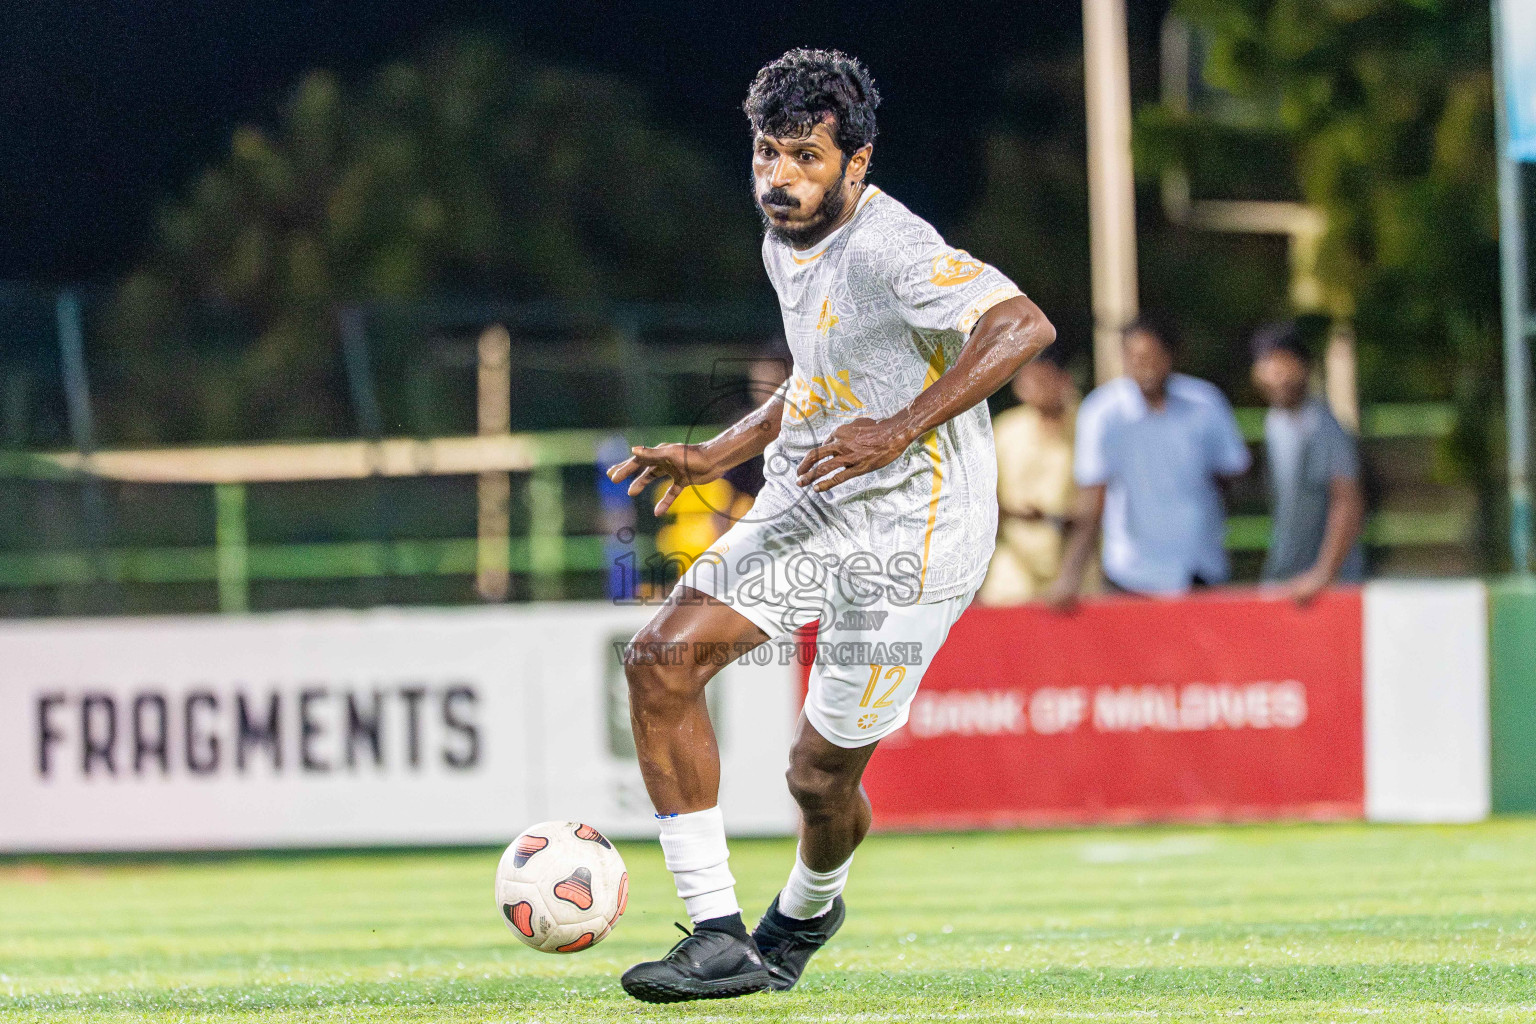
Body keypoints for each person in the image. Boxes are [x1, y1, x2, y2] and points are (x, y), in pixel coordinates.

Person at [605, 48, 1054, 1003]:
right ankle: (718, 936)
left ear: (857, 162)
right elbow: (821, 374)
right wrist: (719, 452)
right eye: (766, 154)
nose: (779, 178)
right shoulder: (784, 239)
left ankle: (808, 910)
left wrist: (898, 429)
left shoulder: (893, 245)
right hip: (812, 497)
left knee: (817, 778)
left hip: (916, 532)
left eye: (805, 157)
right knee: (658, 662)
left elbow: (1022, 326)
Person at [1045, 314, 1249, 607]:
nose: (1146, 366)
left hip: (1199, 567)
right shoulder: (1102, 412)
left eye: (1154, 356)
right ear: (1124, 358)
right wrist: (1070, 575)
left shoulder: (1206, 404)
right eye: (1137, 357)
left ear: (1173, 355)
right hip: (1129, 572)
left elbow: (1232, 474)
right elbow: (1092, 499)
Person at [1250, 321, 1365, 603]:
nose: (1276, 375)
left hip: (1327, 586)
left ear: (1304, 366)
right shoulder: (1274, 423)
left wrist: (1324, 573)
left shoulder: (1323, 426)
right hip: (1284, 577)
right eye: (1268, 365)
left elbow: (1347, 501)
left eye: (1284, 363)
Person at [978, 349, 1078, 605]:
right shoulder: (1006, 429)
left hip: (1070, 566)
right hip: (1013, 569)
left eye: (1042, 379)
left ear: (1063, 380)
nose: (1032, 386)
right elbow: (984, 498)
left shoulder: (1084, 428)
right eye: (1027, 378)